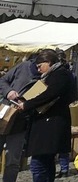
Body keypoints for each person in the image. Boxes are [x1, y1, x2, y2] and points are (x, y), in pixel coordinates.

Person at [16, 49, 75, 182]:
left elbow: (48, 95)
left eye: (40, 66)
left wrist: (27, 105)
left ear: (48, 62)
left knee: (38, 165)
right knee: (46, 163)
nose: (38, 70)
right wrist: (24, 100)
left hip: (51, 125)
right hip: (48, 124)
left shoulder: (60, 75)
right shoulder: (55, 74)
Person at [0, 53, 41, 182]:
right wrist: (8, 92)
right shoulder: (23, 67)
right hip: (5, 115)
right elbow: (3, 81)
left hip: (21, 122)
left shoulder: (47, 78)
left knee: (13, 160)